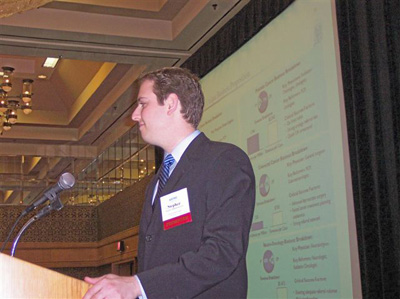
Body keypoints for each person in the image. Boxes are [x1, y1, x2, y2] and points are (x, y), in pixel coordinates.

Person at [83, 67, 255, 299]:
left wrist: (137, 285)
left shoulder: (223, 161)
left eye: (143, 103)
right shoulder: (157, 182)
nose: (134, 115)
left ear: (171, 103)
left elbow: (222, 252)